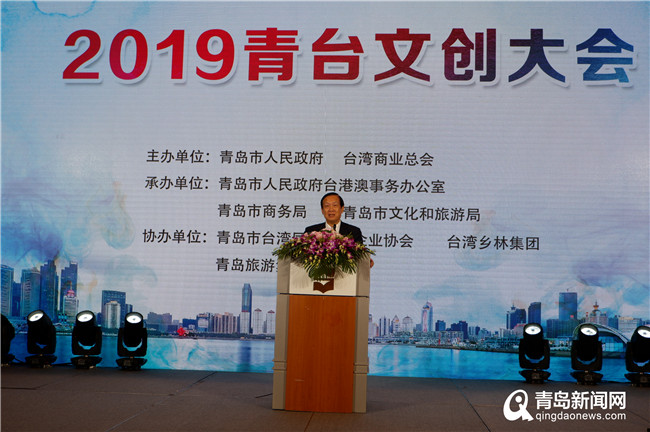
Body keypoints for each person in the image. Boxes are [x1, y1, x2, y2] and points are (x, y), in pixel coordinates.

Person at [305, 192, 373, 267]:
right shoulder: (311, 231)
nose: (331, 209)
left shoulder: (354, 231)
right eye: (327, 206)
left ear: (342, 209)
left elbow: (359, 256)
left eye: (335, 205)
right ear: (322, 210)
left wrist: (366, 262)